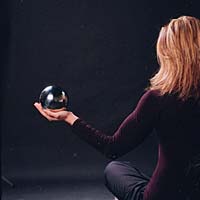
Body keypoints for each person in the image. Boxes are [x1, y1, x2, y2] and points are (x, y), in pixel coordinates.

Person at [34, 16, 200, 200]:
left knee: (115, 169)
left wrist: (69, 117)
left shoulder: (157, 98)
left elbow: (112, 148)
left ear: (169, 55)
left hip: (162, 196)